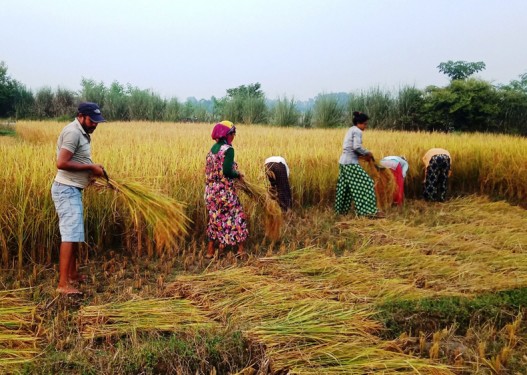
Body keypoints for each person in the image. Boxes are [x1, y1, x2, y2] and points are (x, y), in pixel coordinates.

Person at [51, 102, 106, 295]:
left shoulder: (82, 133)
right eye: (92, 120)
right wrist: (91, 168)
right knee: (69, 235)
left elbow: (78, 161)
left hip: (72, 189)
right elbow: (62, 162)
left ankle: (72, 275)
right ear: (81, 116)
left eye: (97, 121)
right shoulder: (73, 132)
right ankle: (63, 284)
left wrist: (89, 177)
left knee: (73, 234)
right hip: (66, 190)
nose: (95, 124)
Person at [205, 120, 248, 258]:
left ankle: (210, 251)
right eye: (232, 133)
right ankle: (240, 250)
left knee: (215, 219)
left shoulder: (213, 149)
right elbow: (227, 172)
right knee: (238, 216)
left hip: (211, 192)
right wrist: (238, 174)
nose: (234, 136)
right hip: (224, 193)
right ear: (227, 134)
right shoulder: (228, 150)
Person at [335, 111, 384, 218]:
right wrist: (367, 152)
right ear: (359, 123)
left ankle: (340, 211)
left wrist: (362, 155)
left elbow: (350, 147)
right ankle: (368, 211)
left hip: (343, 162)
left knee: (345, 187)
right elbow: (356, 147)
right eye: (365, 124)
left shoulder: (351, 129)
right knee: (367, 183)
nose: (366, 126)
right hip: (350, 163)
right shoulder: (358, 131)